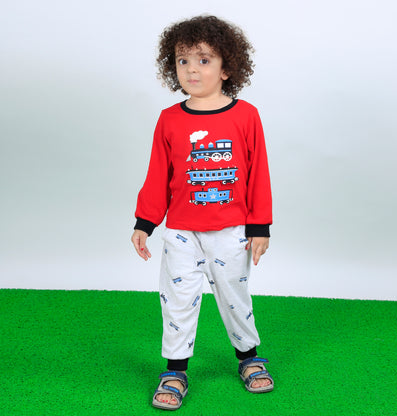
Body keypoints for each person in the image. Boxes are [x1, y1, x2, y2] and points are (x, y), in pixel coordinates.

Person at [131, 15, 274, 410]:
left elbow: (258, 173)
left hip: (232, 231)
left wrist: (260, 226)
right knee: (177, 300)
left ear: (227, 68)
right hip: (181, 231)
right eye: (183, 61)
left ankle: (249, 358)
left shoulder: (246, 116)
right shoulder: (169, 119)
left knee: (234, 296)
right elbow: (158, 176)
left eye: (204, 60)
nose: (192, 69)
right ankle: (175, 371)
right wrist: (145, 222)